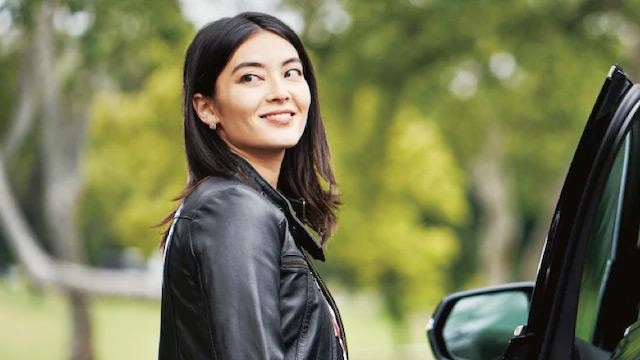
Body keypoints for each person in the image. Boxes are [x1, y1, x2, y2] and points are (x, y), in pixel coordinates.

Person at [158, 12, 348, 360]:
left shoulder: (245, 206)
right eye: (251, 78)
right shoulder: (233, 209)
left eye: (291, 72)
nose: (280, 92)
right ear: (207, 108)